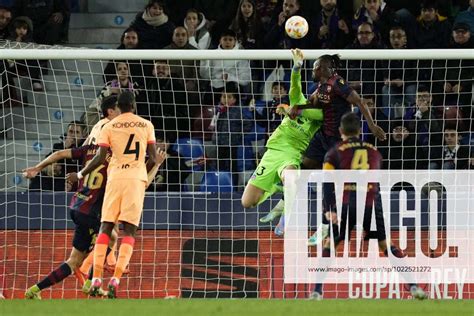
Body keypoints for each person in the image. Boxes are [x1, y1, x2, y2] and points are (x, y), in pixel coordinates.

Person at [309, 112, 427, 300]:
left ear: (341, 131)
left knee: (330, 243)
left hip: (345, 203)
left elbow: (328, 183)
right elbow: (375, 181)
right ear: (359, 131)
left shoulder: (333, 152)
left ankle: (317, 291)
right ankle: (413, 287)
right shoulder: (374, 151)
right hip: (371, 203)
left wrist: (329, 209)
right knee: (386, 245)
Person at [23, 96, 121, 299]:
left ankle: (34, 290)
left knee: (74, 260)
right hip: (92, 209)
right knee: (111, 236)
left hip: (77, 205)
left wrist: (37, 168)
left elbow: (59, 154)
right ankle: (93, 283)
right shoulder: (114, 155)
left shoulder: (88, 150)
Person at [71, 91, 166, 298]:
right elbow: (151, 157)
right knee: (129, 231)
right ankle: (116, 278)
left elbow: (99, 157)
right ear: (133, 105)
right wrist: (156, 162)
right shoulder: (146, 125)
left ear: (119, 107)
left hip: (115, 179)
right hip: (136, 180)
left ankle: (95, 277)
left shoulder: (109, 126)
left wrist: (80, 173)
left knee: (106, 227)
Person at [241, 49, 323, 236]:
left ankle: (287, 215)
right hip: (272, 154)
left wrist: (292, 110)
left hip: (292, 155)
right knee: (248, 202)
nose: (318, 95)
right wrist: (296, 68)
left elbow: (309, 112)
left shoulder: (321, 117)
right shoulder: (299, 100)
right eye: (317, 92)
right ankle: (276, 189)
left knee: (291, 178)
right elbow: (295, 87)